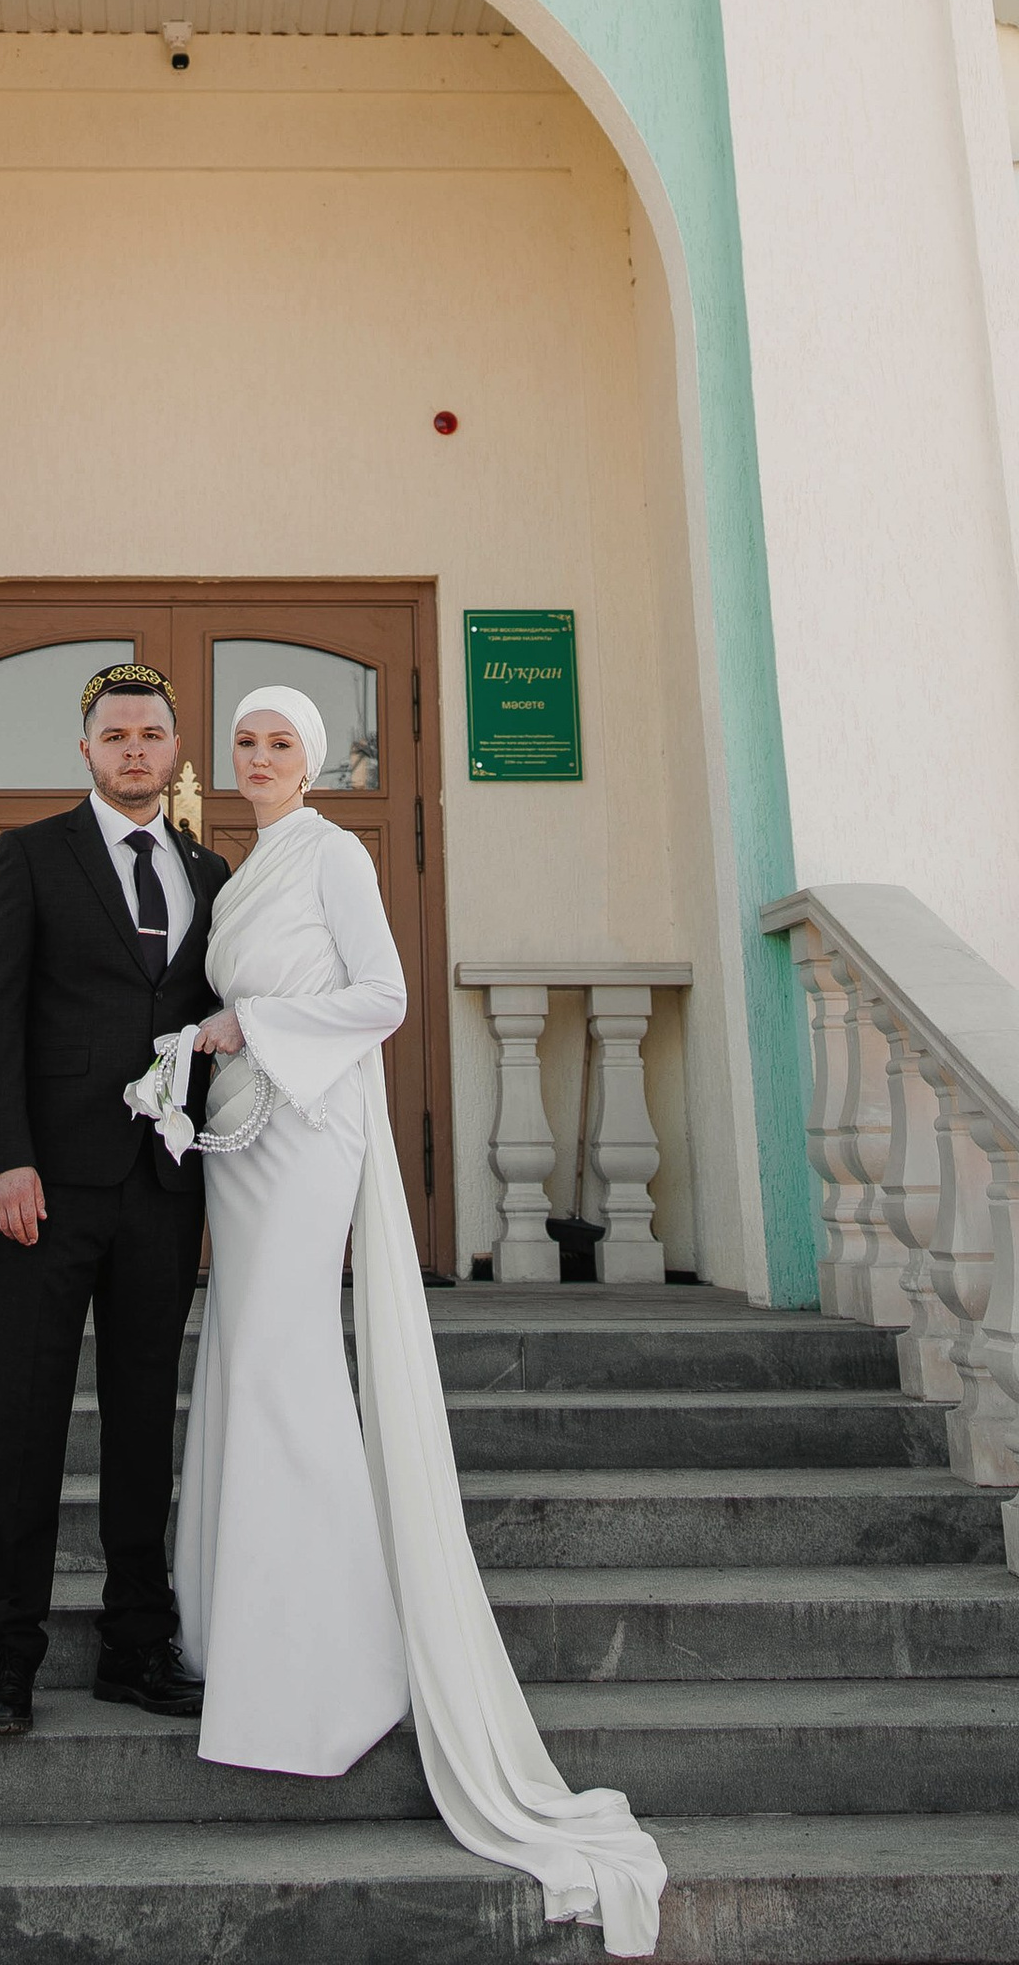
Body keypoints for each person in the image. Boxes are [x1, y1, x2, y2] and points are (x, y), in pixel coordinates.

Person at [154, 687, 667, 1955]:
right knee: (243, 1359)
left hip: (311, 1129)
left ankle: (323, 1664)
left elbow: (380, 998)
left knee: (282, 1361)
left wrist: (246, 1024)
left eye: (279, 743)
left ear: (312, 761)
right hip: (241, 1132)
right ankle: (237, 1629)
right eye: (246, 742)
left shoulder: (337, 855)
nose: (256, 756)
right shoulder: (242, 869)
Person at [0, 660, 229, 1741]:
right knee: (24, 1422)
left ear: (173, 751)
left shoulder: (212, 873)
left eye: (150, 735)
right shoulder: (30, 856)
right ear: (85, 750)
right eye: (114, 734)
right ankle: (6, 1656)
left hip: (163, 1191)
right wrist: (3, 1159)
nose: (133, 750)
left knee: (139, 1425)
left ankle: (133, 1641)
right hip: (48, 1190)